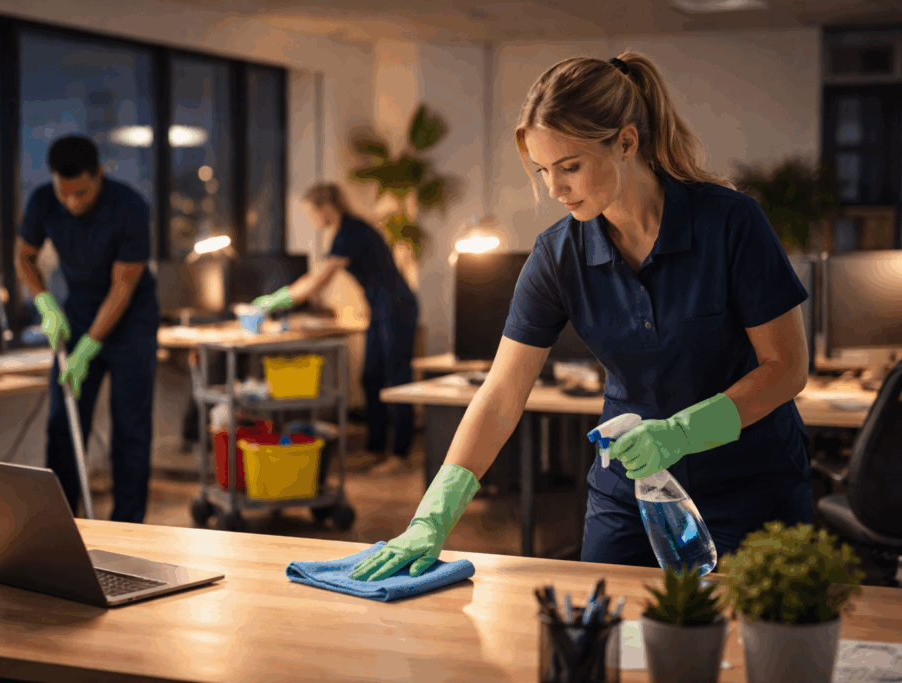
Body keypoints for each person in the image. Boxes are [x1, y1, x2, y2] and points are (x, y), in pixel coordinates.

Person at [350, 52, 812, 581]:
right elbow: (501, 393)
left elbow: (787, 368)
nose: (554, 189)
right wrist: (433, 515)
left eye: (569, 167)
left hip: (749, 486)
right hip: (629, 494)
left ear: (626, 142)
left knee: (740, 650)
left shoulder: (730, 223)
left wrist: (681, 432)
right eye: (544, 170)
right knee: (603, 637)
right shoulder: (558, 255)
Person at [15, 135, 160, 524]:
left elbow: (124, 285)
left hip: (132, 321)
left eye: (81, 192)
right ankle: (59, 526)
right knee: (63, 424)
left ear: (98, 175)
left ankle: (128, 529)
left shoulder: (129, 207)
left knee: (130, 429)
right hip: (77, 312)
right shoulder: (45, 201)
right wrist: (44, 301)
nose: (72, 203)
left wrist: (87, 348)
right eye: (65, 194)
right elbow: (24, 256)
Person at [253, 183, 420, 475]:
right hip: (380, 309)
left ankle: (400, 454)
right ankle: (376, 449)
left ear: (325, 207)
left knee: (396, 381)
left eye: (312, 212)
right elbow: (318, 273)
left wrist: (276, 300)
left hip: (396, 308)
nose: (313, 219)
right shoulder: (345, 232)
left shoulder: (352, 232)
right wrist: (282, 296)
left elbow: (319, 281)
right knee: (371, 379)